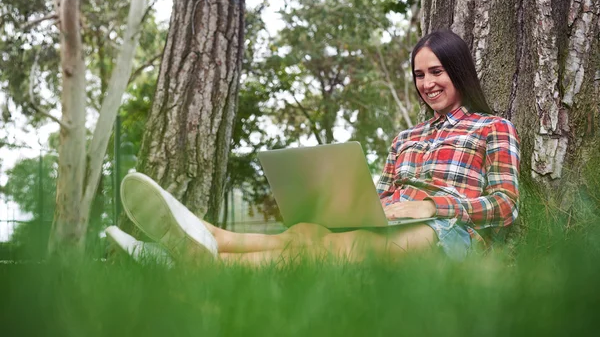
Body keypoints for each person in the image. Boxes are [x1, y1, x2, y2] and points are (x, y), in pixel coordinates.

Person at [105, 30, 520, 266]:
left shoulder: (492, 128)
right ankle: (200, 240)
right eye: (419, 74)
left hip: (451, 234)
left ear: (459, 71)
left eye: (437, 71)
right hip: (392, 226)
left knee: (340, 249)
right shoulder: (405, 139)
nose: (426, 83)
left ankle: (197, 261)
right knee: (307, 232)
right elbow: (384, 194)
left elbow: (506, 205)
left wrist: (435, 207)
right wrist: (346, 205)